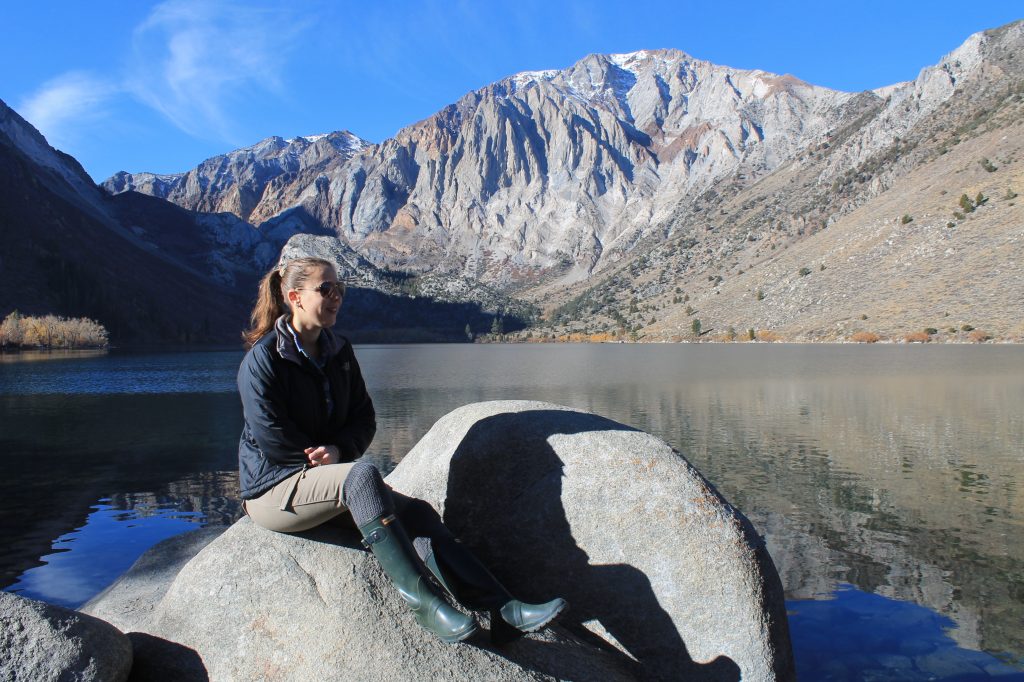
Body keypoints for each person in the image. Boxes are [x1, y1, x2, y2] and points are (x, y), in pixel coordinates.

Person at [237, 257, 567, 644]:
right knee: (361, 476)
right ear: (295, 297)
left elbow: (364, 419)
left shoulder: (339, 352)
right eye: (326, 289)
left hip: (326, 482)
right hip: (275, 487)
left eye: (339, 289)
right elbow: (271, 437)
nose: (336, 297)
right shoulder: (264, 359)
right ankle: (424, 606)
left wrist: (339, 447)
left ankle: (502, 609)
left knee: (418, 514)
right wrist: (323, 458)